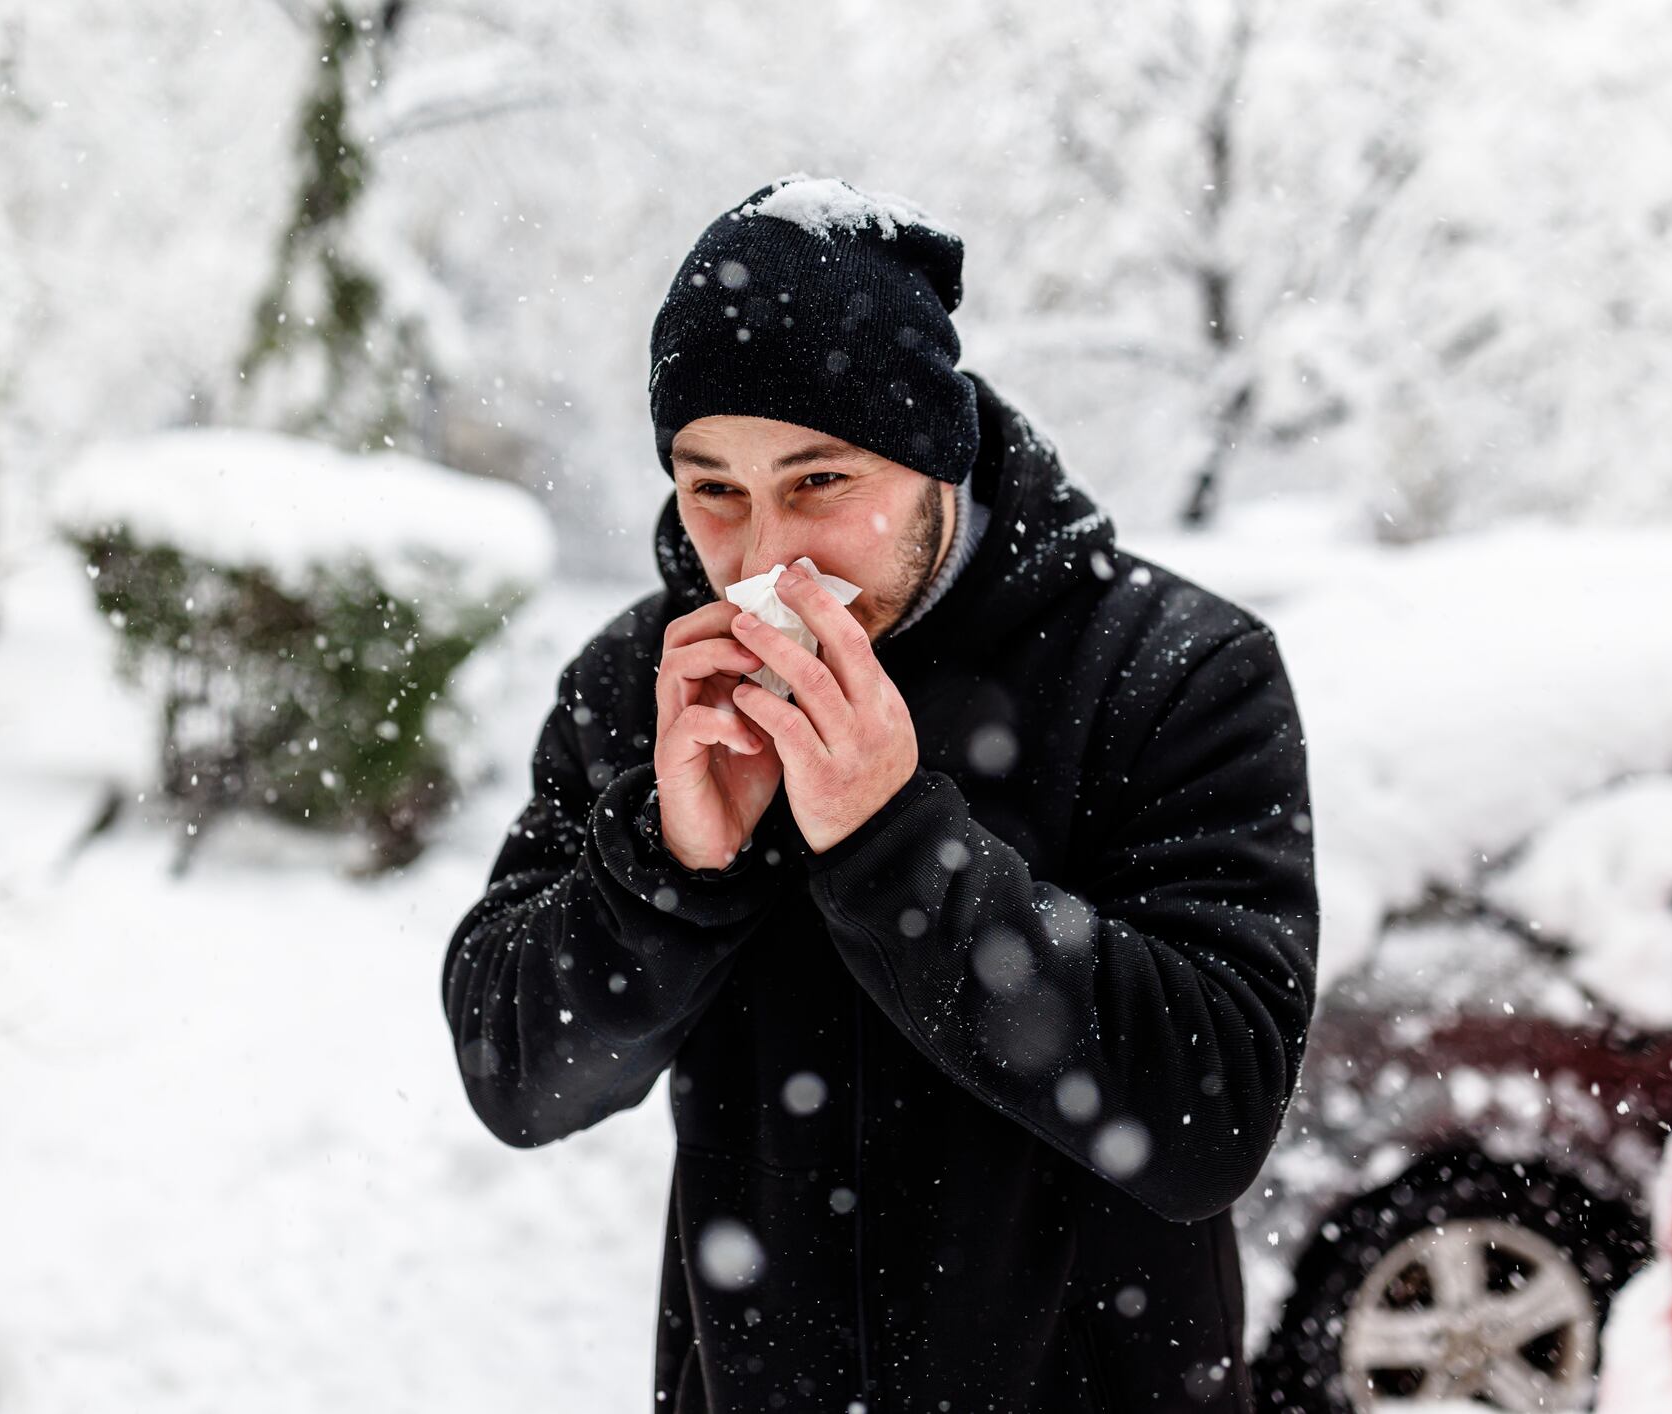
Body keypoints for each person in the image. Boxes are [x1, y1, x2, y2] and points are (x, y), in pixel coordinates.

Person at [441, 172, 1320, 1413]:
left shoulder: (1172, 673)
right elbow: (518, 1078)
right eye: (713, 490)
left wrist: (895, 844)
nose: (757, 561)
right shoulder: (644, 683)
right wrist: (665, 863)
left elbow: (1209, 1117)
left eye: (818, 483)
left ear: (934, 464)